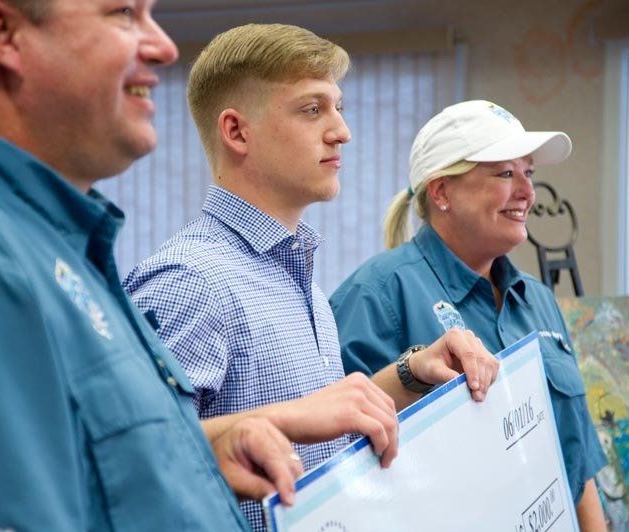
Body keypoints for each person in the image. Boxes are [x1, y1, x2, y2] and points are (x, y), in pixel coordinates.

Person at [0, 1, 305, 530]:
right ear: (3, 33)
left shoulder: (51, 244)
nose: (164, 47)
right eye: (124, 13)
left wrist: (188, 460)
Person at [124, 24, 499, 530]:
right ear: (237, 132)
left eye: (338, 107)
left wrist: (413, 371)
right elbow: (134, 468)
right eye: (311, 109)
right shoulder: (191, 281)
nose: (342, 130)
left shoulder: (297, 279)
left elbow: (322, 421)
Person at [329, 99, 608, 530]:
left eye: (529, 173)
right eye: (505, 173)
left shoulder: (538, 300)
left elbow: (579, 463)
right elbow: (340, 467)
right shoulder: (375, 297)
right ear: (442, 192)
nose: (528, 192)